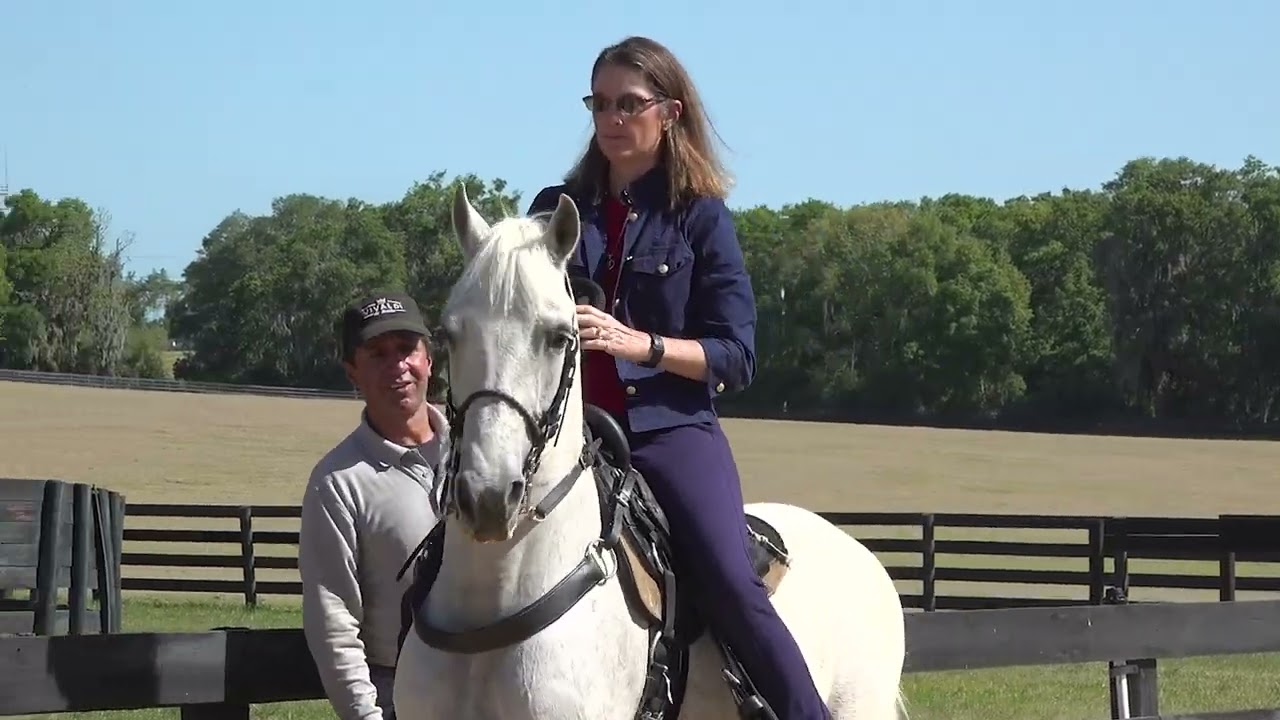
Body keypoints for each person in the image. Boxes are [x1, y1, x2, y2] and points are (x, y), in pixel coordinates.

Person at [525, 35, 831, 720]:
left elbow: (735, 355)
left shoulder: (700, 216)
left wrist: (644, 344)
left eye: (628, 104)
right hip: (563, 431)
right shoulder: (552, 208)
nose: (610, 118)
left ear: (670, 111)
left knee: (728, 580)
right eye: (599, 103)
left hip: (667, 431)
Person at [298, 290, 448, 720]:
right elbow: (334, 622)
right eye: (378, 354)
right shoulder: (338, 482)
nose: (397, 366)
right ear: (353, 372)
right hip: (403, 693)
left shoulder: (481, 453)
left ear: (429, 360)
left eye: (407, 349)